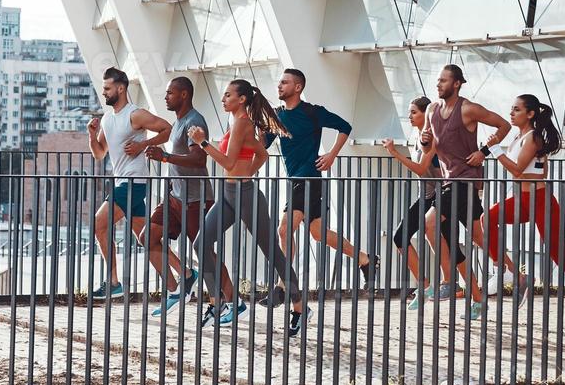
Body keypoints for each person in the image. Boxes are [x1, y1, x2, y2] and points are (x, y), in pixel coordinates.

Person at [188, 79, 306, 335]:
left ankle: (299, 306)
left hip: (247, 196)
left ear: (241, 99)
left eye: (228, 95)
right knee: (201, 243)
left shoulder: (243, 122)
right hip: (230, 194)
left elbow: (229, 162)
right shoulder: (237, 123)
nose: (223, 99)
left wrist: (203, 143)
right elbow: (261, 154)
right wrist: (247, 174)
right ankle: (218, 303)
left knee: (273, 253)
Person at [261, 68, 374, 307]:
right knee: (319, 234)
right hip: (297, 181)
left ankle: (284, 285)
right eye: (279, 83)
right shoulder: (277, 116)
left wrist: (332, 155)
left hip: (308, 179)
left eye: (284, 82)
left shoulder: (313, 112)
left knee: (284, 230)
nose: (279, 86)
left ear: (298, 87)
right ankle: (365, 259)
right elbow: (262, 145)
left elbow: (345, 126)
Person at [418, 64, 513, 315]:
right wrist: (423, 141)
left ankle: (449, 281)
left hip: (465, 180)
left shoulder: (469, 109)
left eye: (444, 81)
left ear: (457, 83)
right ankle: (486, 295)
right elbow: (429, 147)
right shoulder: (431, 110)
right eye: (437, 80)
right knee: (476, 236)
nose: (438, 84)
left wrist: (483, 152)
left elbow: (504, 126)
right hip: (450, 181)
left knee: (430, 224)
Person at [479, 94, 565, 304]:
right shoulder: (519, 137)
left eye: (517, 110)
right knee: (488, 218)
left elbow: (518, 169)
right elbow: (539, 171)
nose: (511, 113)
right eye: (511, 109)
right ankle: (507, 271)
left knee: (560, 255)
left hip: (540, 201)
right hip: (522, 198)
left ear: (530, 114)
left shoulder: (533, 137)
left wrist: (494, 150)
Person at [140, 76, 222, 317]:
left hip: (196, 199)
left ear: (184, 94)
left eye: (170, 93)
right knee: (148, 238)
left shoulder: (195, 121)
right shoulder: (177, 122)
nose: (166, 97)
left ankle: (226, 300)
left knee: (204, 251)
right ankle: (182, 282)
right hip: (175, 196)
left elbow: (199, 159)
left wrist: (164, 157)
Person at [87, 67, 171, 299]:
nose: (104, 92)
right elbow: (99, 153)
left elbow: (167, 129)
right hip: (122, 182)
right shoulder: (107, 118)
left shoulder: (136, 115)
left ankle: (113, 282)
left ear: (121, 88)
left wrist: (143, 146)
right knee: (146, 237)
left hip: (134, 182)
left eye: (107, 88)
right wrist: (92, 136)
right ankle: (184, 275)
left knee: (99, 224)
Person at [382, 96, 458, 302]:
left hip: (441, 195)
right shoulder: (418, 138)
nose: (409, 116)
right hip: (425, 196)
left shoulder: (433, 138)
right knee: (400, 237)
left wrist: (394, 153)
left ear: (427, 115)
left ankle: (451, 283)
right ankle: (426, 285)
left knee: (450, 245)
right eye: (409, 112)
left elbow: (421, 168)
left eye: (414, 112)